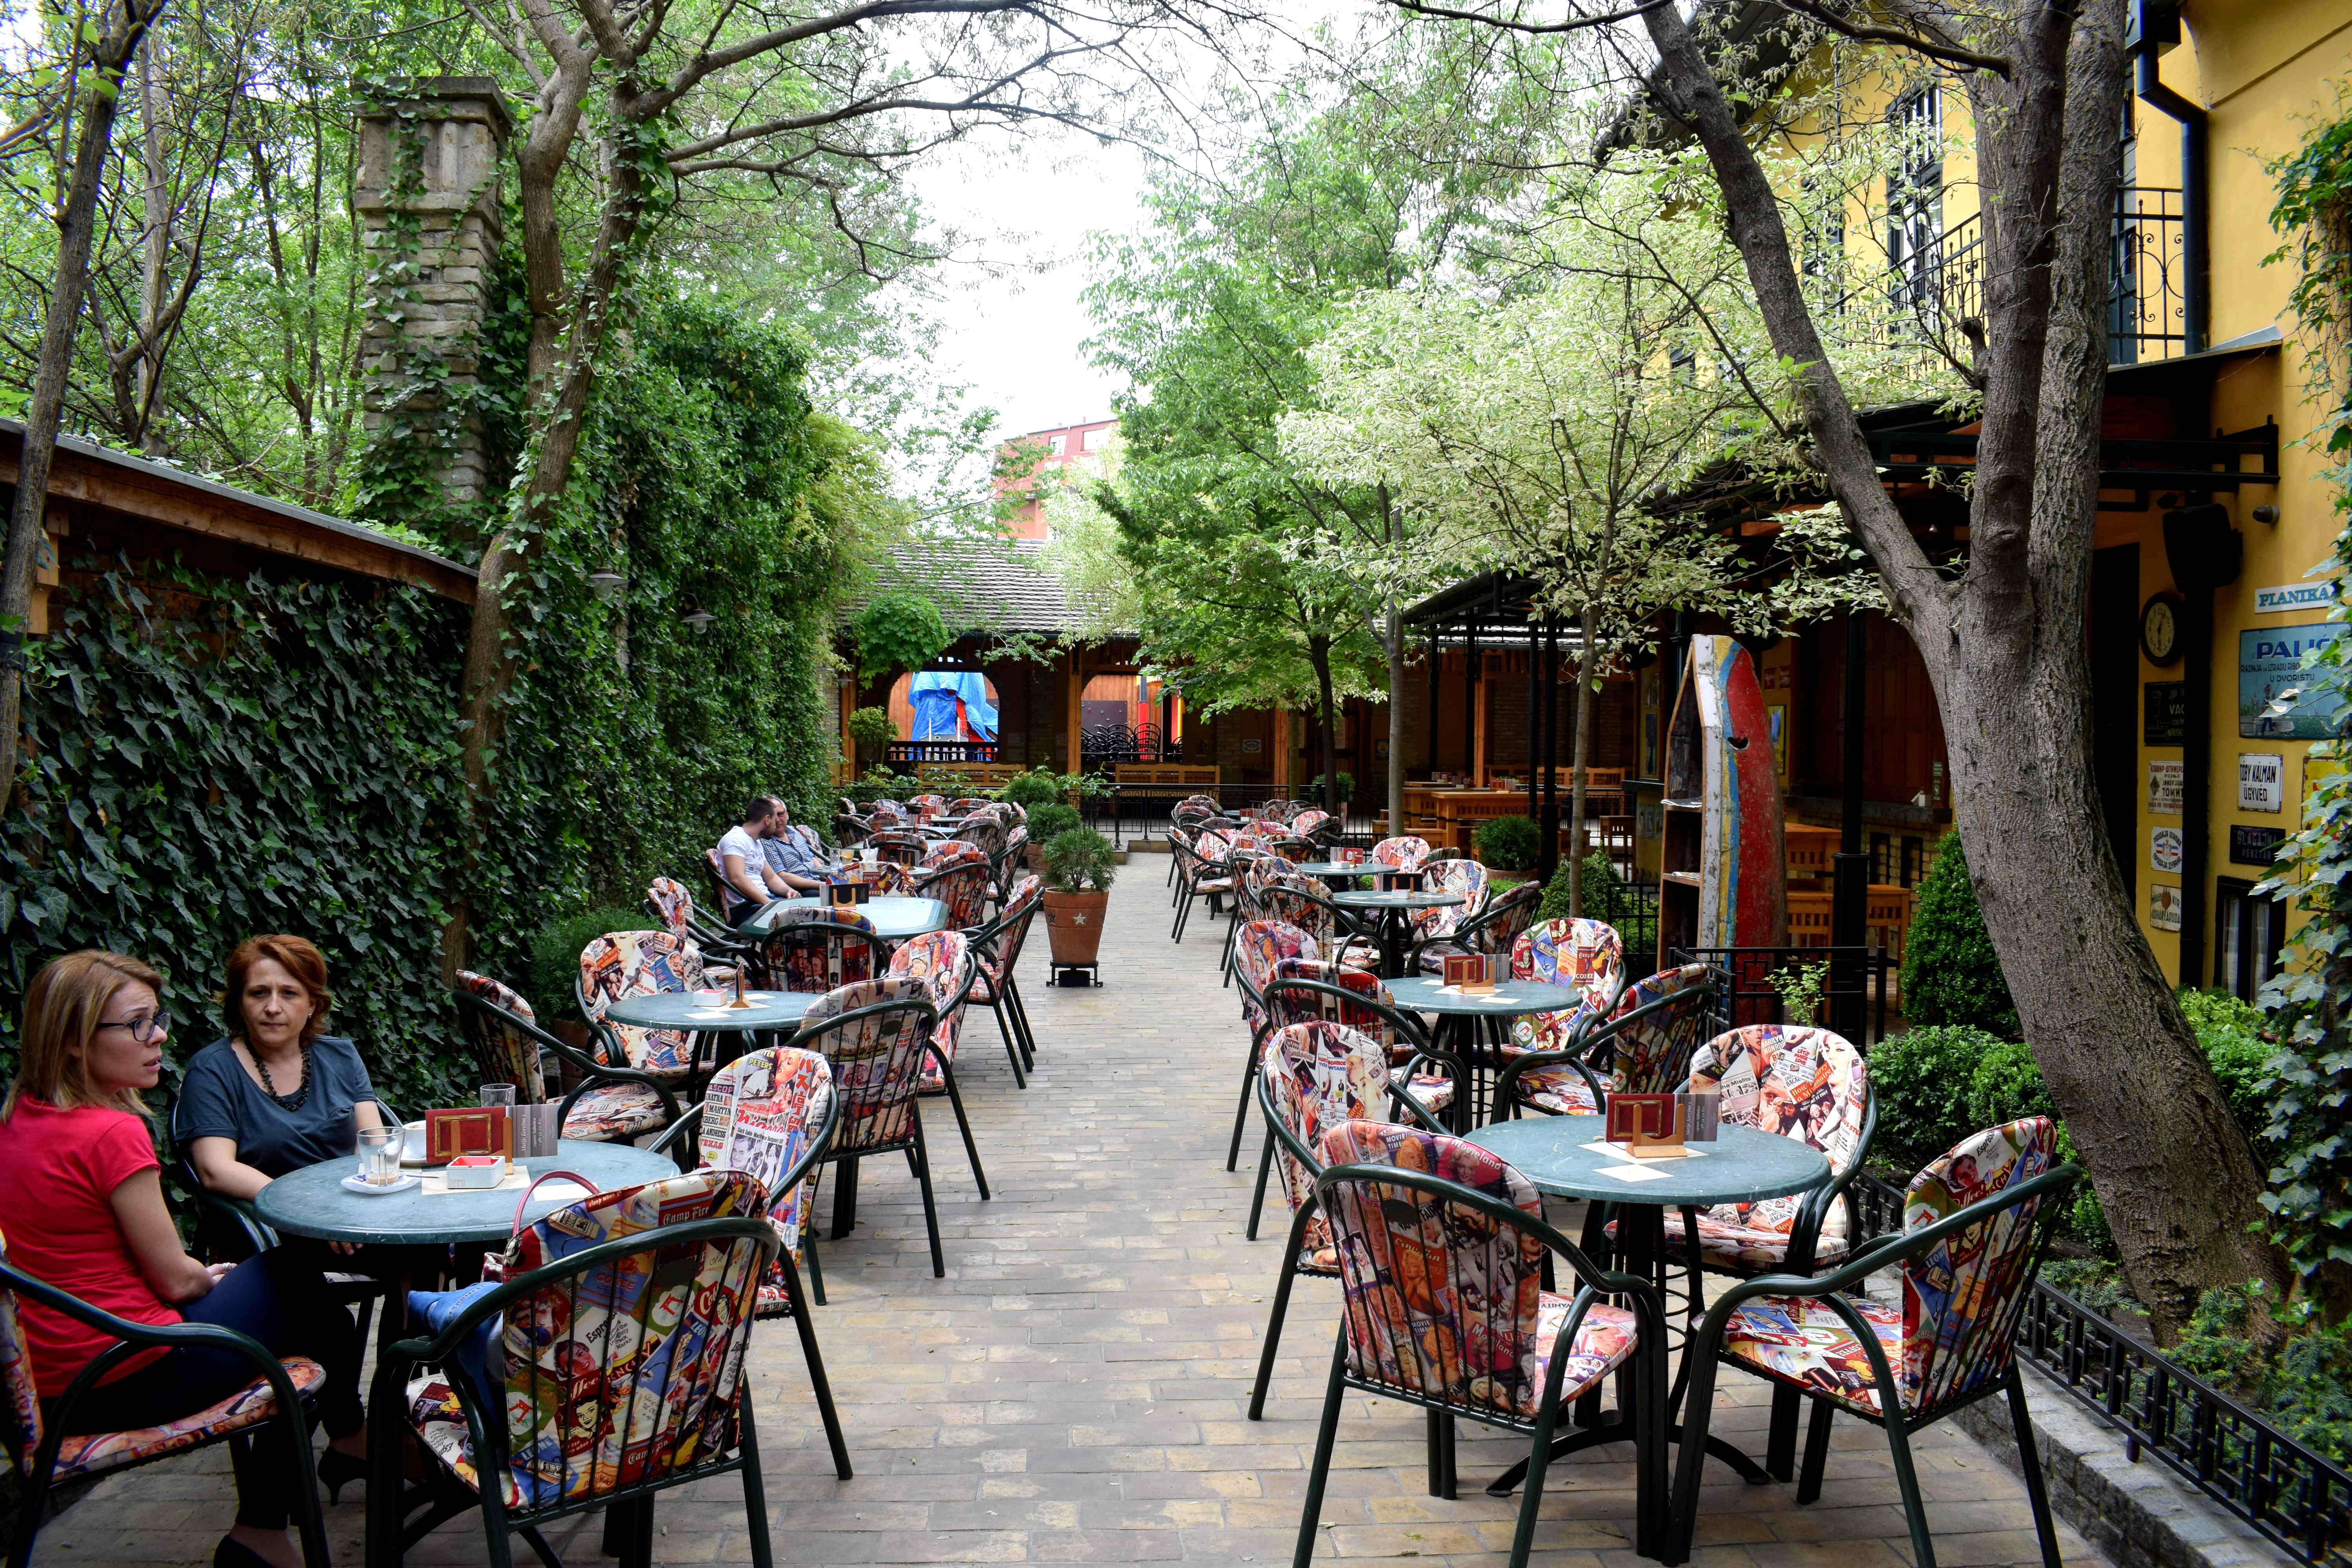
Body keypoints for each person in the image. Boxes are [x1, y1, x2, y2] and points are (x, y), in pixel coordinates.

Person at [0, 951, 367, 1568]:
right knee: (298, 1285)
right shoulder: (111, 1134)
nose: (160, 1035)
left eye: (157, 1018)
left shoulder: (15, 1123)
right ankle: (284, 1507)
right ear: (72, 1041)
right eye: (139, 1024)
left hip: (52, 1381)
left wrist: (206, 1281)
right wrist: (206, 1277)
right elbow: (174, 1278)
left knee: (301, 1303)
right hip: (126, 1371)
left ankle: (315, 1480)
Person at [718, 797, 817, 916]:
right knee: (809, 917)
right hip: (747, 908)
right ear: (767, 820)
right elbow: (738, 878)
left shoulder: (756, 842)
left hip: (765, 901)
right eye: (775, 821)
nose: (776, 826)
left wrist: (789, 890)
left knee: (817, 910)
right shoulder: (735, 840)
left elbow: (771, 878)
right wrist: (769, 903)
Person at [759, 796, 841, 884]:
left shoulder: (794, 832)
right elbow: (782, 876)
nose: (777, 820)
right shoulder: (765, 841)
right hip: (799, 889)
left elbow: (811, 858)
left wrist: (828, 877)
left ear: (787, 814)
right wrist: (823, 885)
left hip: (818, 881)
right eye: (773, 816)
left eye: (780, 814)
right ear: (766, 819)